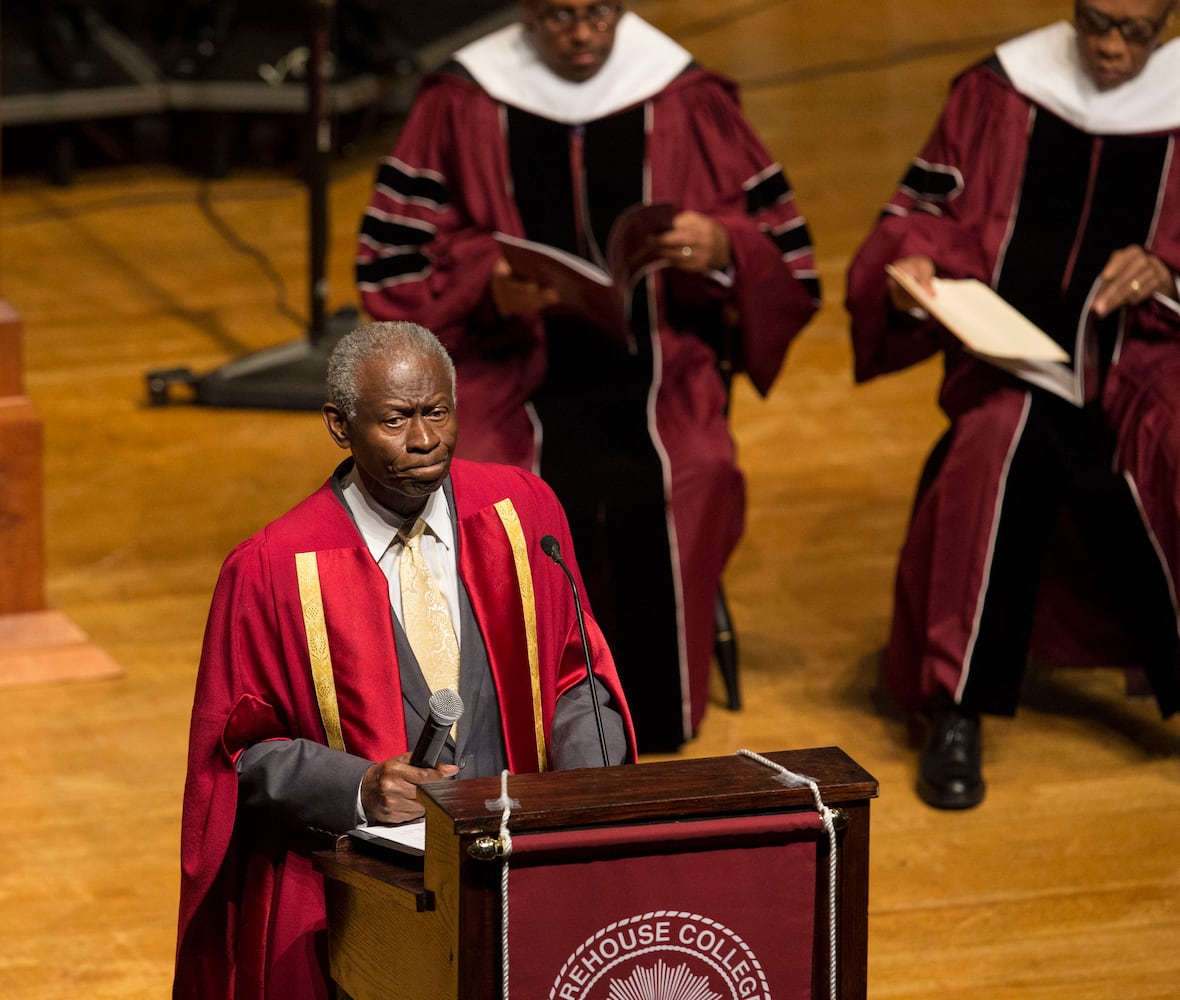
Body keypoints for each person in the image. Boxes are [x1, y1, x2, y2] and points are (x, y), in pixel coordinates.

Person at [354, 0, 819, 752]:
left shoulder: (682, 94)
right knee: (496, 487)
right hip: (509, 364)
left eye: (599, 13)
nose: (581, 34)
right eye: (560, 15)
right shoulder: (465, 99)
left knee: (693, 469)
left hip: (660, 363)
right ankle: (511, 711)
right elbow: (394, 260)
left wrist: (723, 246)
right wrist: (487, 285)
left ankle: (656, 721)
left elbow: (783, 249)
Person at [171, 321, 635, 999]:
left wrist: (583, 787)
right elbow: (236, 756)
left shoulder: (520, 509)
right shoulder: (272, 569)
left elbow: (577, 673)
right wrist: (358, 787)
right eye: (395, 419)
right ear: (339, 424)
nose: (424, 441)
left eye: (436, 413)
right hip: (365, 895)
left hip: (526, 876)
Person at [846, 0, 1180, 810]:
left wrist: (1169, 275)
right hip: (1012, 355)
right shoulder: (1003, 90)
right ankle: (955, 705)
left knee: (1164, 449)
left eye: (1135, 30)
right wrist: (917, 264)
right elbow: (922, 213)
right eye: (1094, 20)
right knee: (997, 446)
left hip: (1148, 358)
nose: (1107, 46)